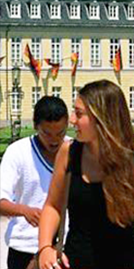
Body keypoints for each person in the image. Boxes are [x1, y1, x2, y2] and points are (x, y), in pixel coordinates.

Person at [38, 80, 134, 269]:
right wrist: (45, 247)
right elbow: (52, 205)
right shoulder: (68, 153)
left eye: (79, 114)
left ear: (101, 118)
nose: (72, 120)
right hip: (77, 262)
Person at [0, 96, 69, 269]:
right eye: (47, 133)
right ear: (35, 125)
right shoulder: (18, 152)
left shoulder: (73, 150)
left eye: (60, 133)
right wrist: (24, 210)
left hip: (66, 247)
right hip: (25, 248)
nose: (54, 140)